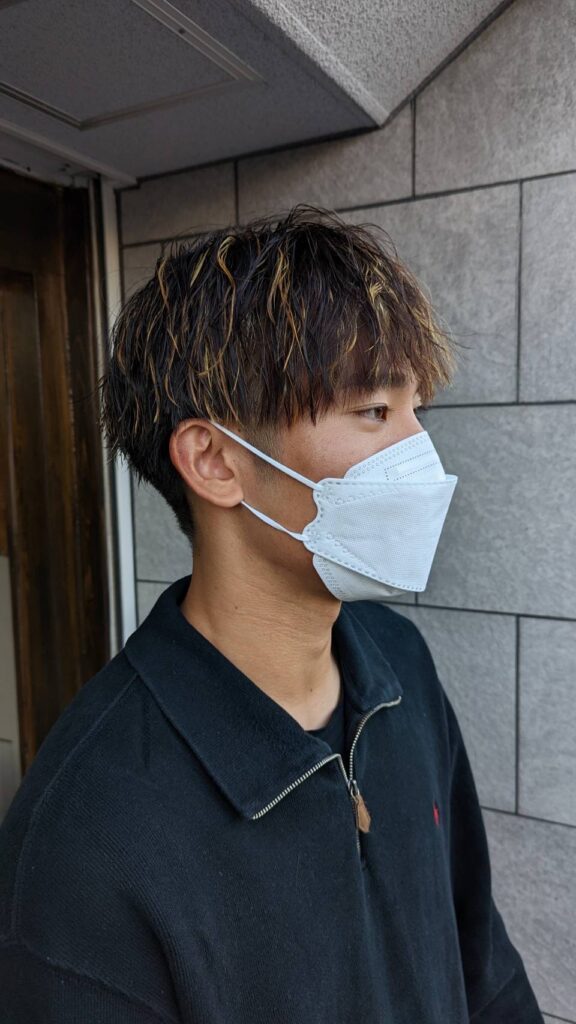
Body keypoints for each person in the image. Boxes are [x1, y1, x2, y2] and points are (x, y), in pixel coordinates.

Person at [0, 204, 544, 1022]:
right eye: (375, 411)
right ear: (216, 461)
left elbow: (482, 964)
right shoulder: (88, 835)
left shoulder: (399, 664)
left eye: (416, 410)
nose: (419, 456)